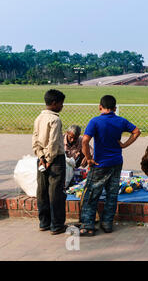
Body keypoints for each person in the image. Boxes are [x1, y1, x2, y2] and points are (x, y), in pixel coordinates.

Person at [79, 95, 141, 236]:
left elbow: (85, 141)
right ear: (115, 108)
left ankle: (87, 225)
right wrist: (124, 144)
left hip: (99, 163)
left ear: (100, 107)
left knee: (92, 193)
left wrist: (88, 158)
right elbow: (136, 131)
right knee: (112, 194)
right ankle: (107, 223)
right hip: (116, 162)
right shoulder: (121, 121)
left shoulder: (95, 121)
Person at [31, 89, 67, 235]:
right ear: (54, 103)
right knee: (56, 192)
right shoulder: (55, 119)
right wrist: (49, 160)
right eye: (61, 103)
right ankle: (57, 224)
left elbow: (35, 139)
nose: (62, 106)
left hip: (40, 159)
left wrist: (41, 157)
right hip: (55, 159)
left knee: (42, 191)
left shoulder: (39, 118)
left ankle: (44, 222)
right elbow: (52, 143)